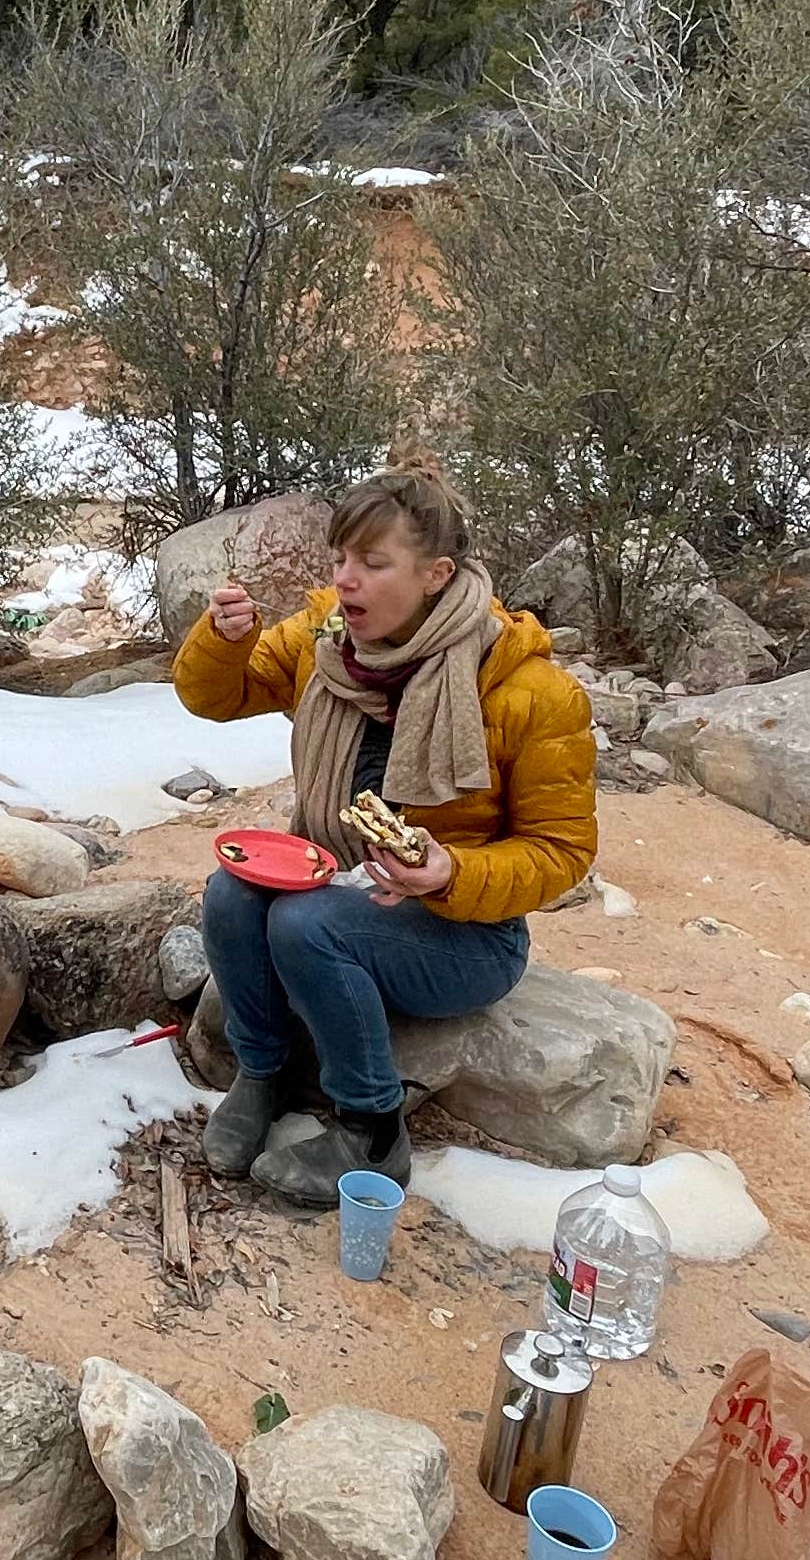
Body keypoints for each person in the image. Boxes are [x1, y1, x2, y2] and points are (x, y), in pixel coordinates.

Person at [170, 459, 600, 1205]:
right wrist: (225, 638)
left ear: (435, 574)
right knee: (231, 891)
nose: (345, 580)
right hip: (340, 886)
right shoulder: (324, 644)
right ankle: (262, 1072)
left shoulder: (529, 691)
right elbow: (217, 696)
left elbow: (562, 852)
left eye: (372, 563)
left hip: (461, 932)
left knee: (307, 923)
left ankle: (371, 1127)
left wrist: (451, 874)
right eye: (339, 559)